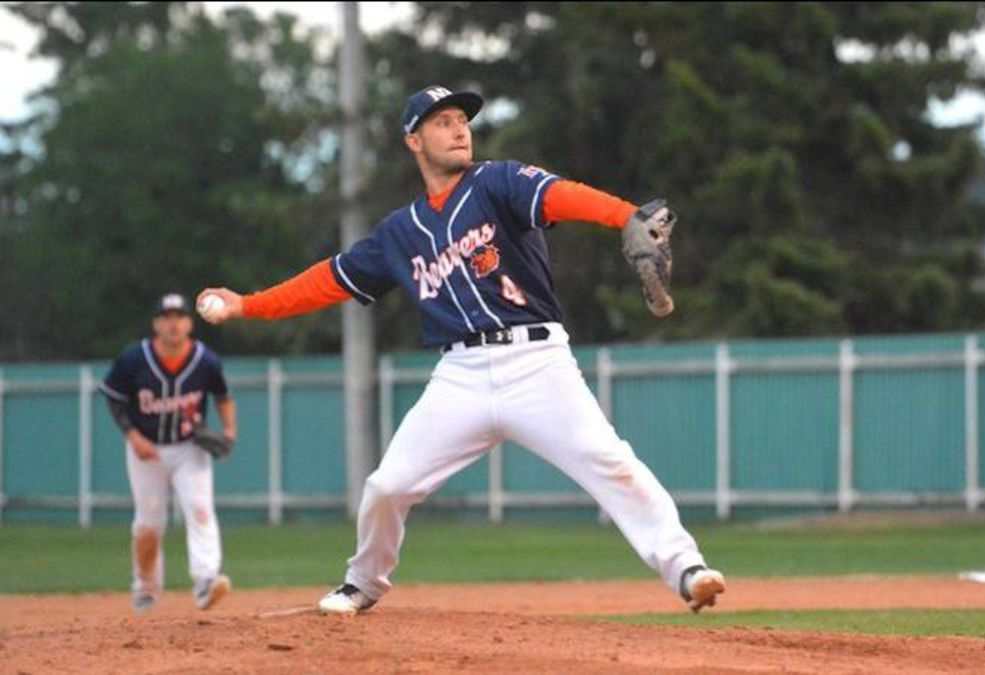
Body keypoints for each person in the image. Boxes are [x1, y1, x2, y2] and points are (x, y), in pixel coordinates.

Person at [196, 85, 725, 615]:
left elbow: (561, 195)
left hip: (537, 363)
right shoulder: (400, 233)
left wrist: (626, 215)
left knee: (610, 462)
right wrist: (247, 305)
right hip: (461, 374)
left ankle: (687, 568)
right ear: (414, 140)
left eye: (461, 120)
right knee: (387, 486)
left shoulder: (497, 182)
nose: (458, 130)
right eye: (442, 121)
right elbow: (329, 280)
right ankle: (363, 582)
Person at [99, 293, 237, 613]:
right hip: (147, 451)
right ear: (156, 324)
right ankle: (145, 588)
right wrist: (132, 436)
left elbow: (223, 396)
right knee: (149, 521)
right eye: (166, 317)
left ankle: (206, 582)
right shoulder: (134, 359)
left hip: (190, 447)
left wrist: (230, 430)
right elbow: (114, 397)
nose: (173, 324)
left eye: (179, 317)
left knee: (200, 510)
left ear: (190, 323)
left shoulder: (205, 360)